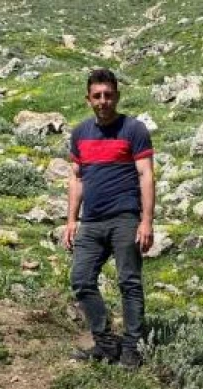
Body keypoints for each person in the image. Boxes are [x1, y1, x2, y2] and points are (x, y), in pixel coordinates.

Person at [62, 68, 155, 369]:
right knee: (81, 279)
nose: (103, 101)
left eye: (108, 95)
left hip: (125, 218)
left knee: (129, 281)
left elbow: (146, 175)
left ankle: (132, 348)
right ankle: (105, 343)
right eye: (97, 96)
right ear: (88, 99)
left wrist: (147, 221)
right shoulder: (80, 133)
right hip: (91, 221)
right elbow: (76, 179)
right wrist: (71, 220)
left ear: (117, 96)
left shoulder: (134, 129)